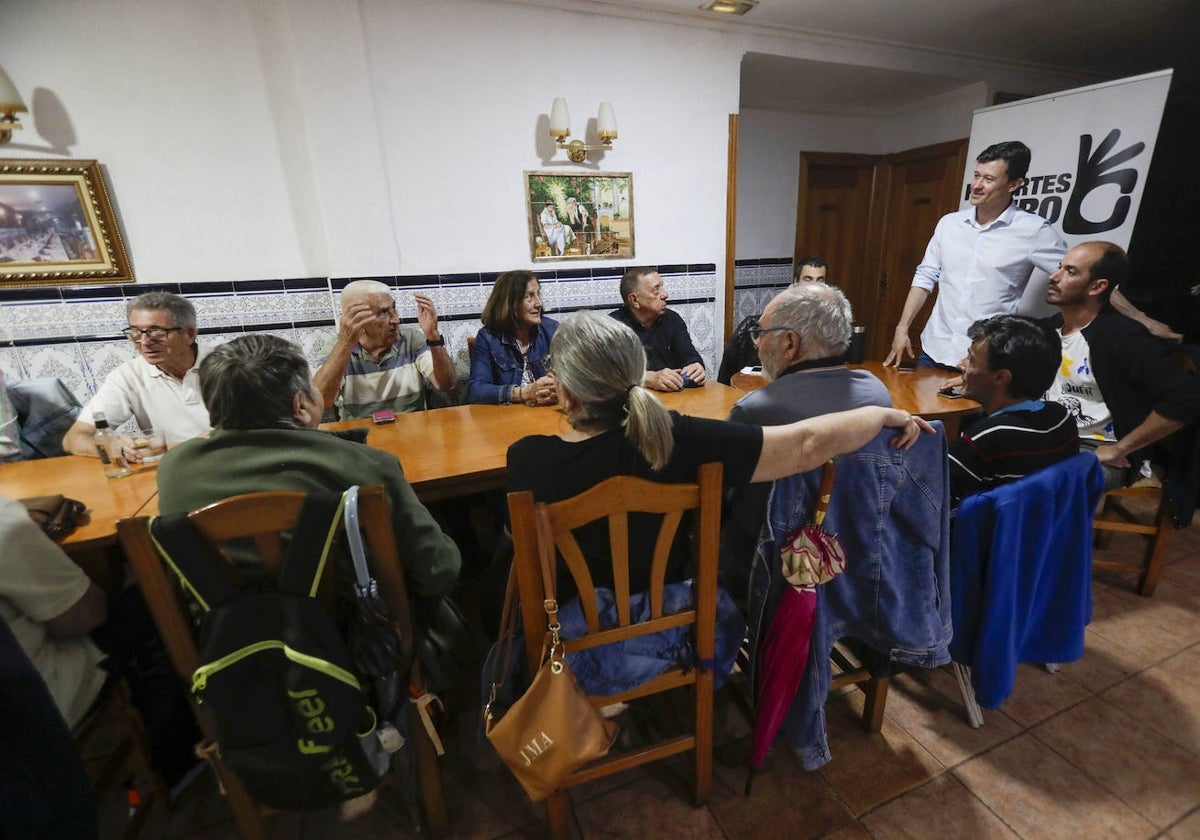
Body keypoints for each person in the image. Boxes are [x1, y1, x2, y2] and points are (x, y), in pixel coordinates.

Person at [507, 311, 930, 605]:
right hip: (674, 616)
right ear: (639, 372)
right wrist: (879, 413)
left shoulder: (526, 459)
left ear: (565, 390)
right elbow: (804, 445)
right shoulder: (682, 436)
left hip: (572, 630)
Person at [157, 333, 461, 600]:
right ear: (301, 406)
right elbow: (437, 572)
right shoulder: (367, 464)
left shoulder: (174, 468)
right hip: (353, 638)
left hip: (228, 641)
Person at [885, 140, 1175, 371]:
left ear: (1014, 184)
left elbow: (1084, 278)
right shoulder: (949, 224)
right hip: (934, 348)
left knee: (973, 439)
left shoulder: (1034, 231)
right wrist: (902, 328)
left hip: (987, 358)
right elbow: (925, 276)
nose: (976, 185)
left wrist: (1143, 320)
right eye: (976, 175)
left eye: (988, 179)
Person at [719, 283, 891, 593]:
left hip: (771, 566)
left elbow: (723, 499)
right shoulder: (876, 393)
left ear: (789, 343)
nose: (757, 345)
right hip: (855, 557)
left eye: (762, 333)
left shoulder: (756, 410)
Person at [1043, 242, 1200, 489]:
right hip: (1045, 438)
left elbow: (1186, 397)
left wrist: (1120, 448)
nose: (1054, 277)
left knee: (1057, 484)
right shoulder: (1047, 329)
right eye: (1059, 268)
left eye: (1070, 272)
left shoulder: (1124, 338)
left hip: (1099, 448)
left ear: (1098, 286)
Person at [62, 291, 210, 461]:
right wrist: (116, 447)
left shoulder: (231, 363)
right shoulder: (127, 376)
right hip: (174, 469)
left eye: (157, 332)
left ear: (189, 334)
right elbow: (74, 438)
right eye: (135, 332)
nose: (144, 342)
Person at [949, 315, 1079, 502]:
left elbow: (930, 500)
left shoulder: (985, 438)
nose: (960, 365)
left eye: (971, 359)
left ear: (1001, 377)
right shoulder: (1061, 417)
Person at [312, 280, 456, 420]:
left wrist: (433, 337)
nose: (395, 320)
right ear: (357, 319)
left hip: (412, 431)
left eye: (394, 309)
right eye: (383, 312)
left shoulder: (411, 339)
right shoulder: (337, 349)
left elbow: (446, 384)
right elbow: (321, 401)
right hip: (360, 436)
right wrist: (344, 346)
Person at [717, 256, 828, 385]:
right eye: (807, 280)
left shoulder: (829, 326)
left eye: (820, 281)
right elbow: (724, 379)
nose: (813, 287)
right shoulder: (757, 326)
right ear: (796, 282)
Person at [468, 270, 558, 405]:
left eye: (538, 294)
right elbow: (476, 391)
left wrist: (559, 385)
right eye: (529, 296)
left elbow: (579, 376)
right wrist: (525, 393)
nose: (539, 303)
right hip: (509, 419)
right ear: (510, 303)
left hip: (548, 414)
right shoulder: (488, 338)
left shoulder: (552, 330)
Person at [609, 266, 706, 392]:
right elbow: (607, 375)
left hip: (675, 398)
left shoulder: (672, 319)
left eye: (662, 287)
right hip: (631, 402)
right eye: (656, 290)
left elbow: (689, 355)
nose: (665, 295)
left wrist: (696, 366)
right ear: (634, 300)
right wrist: (648, 378)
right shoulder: (612, 328)